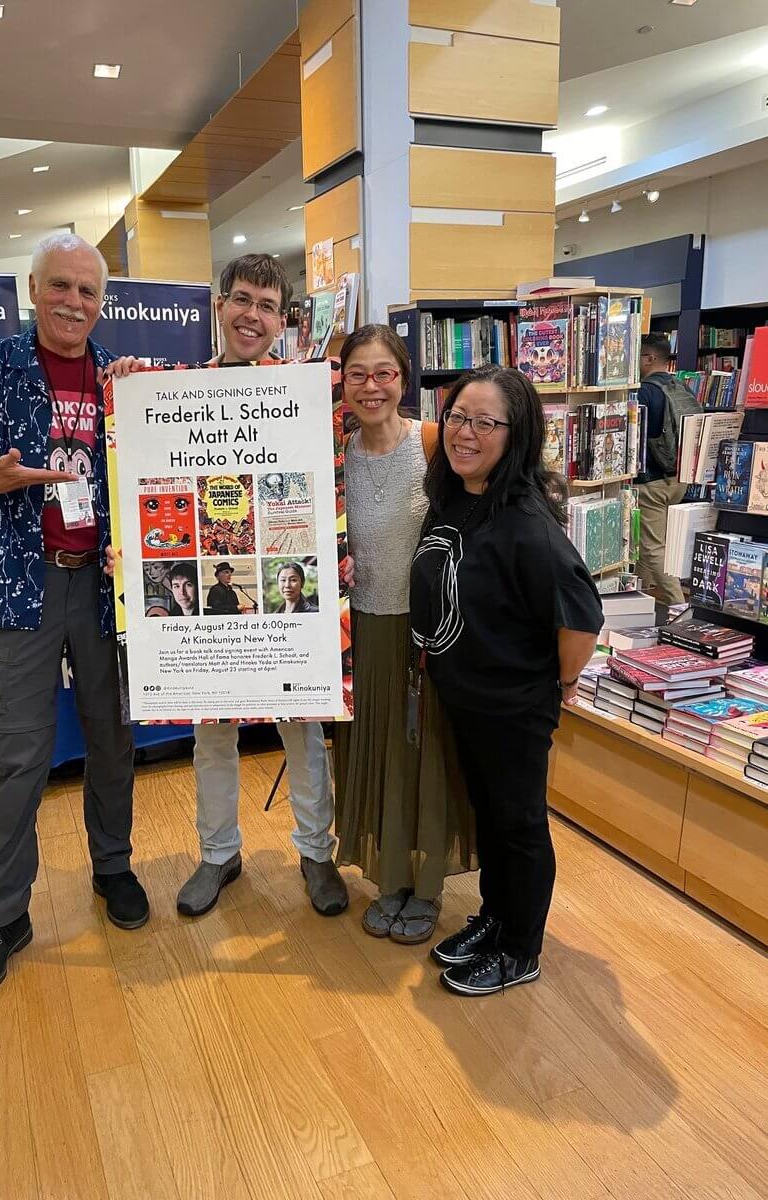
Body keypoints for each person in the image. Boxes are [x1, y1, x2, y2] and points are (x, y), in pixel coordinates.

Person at [0, 232, 149, 1004]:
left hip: (104, 587)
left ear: (101, 300)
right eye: (60, 286)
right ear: (32, 287)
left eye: (87, 290)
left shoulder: (122, 381)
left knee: (112, 737)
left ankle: (112, 866)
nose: (73, 302)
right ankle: (5, 915)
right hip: (21, 586)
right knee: (17, 756)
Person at [411, 365, 602, 996]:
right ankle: (496, 917)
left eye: (487, 422)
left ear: (516, 434)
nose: (467, 432)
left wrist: (561, 683)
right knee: (491, 817)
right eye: (459, 416)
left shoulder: (527, 522)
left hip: (512, 706)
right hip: (465, 695)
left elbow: (580, 615)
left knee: (518, 825)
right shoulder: (459, 495)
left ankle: (522, 948)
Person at [180, 254, 347, 918]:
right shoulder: (181, 389)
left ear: (285, 320)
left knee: (304, 728)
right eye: (242, 299)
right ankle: (218, 854)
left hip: (288, 583)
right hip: (209, 578)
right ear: (220, 305)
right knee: (211, 734)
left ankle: (316, 852)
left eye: (269, 306)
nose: (253, 316)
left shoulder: (310, 390)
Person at [334, 325, 475, 945]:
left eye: (383, 373)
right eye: (357, 373)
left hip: (426, 633)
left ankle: (427, 884)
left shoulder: (434, 444)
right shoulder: (333, 454)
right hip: (359, 628)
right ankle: (390, 877)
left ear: (404, 376)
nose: (371, 387)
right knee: (376, 748)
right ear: (341, 381)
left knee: (425, 752)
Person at [635, 333, 699, 610]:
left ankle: (678, 607)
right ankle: (641, 596)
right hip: (678, 477)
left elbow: (637, 437)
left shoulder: (645, 391)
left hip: (651, 480)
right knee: (652, 545)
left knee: (652, 547)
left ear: (649, 358)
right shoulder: (681, 386)